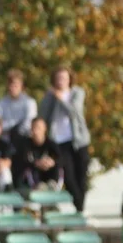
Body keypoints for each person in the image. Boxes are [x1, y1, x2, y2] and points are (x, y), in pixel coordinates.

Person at [38, 66, 91, 211]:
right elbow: (43, 115)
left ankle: (80, 208)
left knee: (82, 176)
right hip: (59, 142)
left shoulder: (77, 92)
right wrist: (49, 98)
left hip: (78, 141)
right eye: (58, 78)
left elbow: (74, 112)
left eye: (64, 78)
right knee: (69, 177)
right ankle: (79, 207)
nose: (61, 81)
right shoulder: (50, 96)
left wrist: (60, 98)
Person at [0, 69, 37, 178]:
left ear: (22, 86)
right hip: (4, 142)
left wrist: (10, 128)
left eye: (16, 85)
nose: (13, 87)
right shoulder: (0, 104)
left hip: (23, 142)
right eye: (11, 84)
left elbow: (29, 124)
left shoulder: (29, 102)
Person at [18, 118, 63, 191]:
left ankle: (54, 185)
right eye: (34, 127)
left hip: (50, 174)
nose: (36, 130)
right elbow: (22, 162)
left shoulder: (52, 144)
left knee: (58, 167)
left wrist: (51, 162)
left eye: (39, 127)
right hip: (35, 176)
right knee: (29, 170)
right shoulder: (26, 144)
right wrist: (37, 163)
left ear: (45, 128)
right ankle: (37, 186)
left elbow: (61, 159)